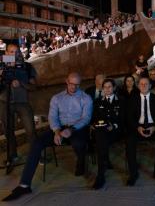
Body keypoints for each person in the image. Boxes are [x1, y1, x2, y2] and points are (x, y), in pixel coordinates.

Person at [3, 72, 93, 201]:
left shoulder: (86, 98)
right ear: (66, 81)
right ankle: (24, 185)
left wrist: (71, 130)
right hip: (59, 127)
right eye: (72, 84)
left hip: (77, 127)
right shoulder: (57, 98)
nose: (74, 87)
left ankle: (81, 161)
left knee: (79, 143)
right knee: (37, 143)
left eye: (77, 85)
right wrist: (56, 131)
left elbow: (86, 118)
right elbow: (52, 117)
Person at [125, 77, 155, 186]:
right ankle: (133, 174)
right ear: (138, 86)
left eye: (146, 84)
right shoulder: (132, 99)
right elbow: (129, 117)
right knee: (129, 141)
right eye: (141, 84)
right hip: (137, 127)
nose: (143, 86)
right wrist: (137, 127)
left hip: (153, 127)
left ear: (150, 86)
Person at [0, 43, 37, 166]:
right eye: (10, 52)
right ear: (6, 53)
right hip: (5, 102)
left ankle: (35, 156)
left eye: (16, 52)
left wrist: (21, 83)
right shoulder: (1, 66)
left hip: (23, 103)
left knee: (31, 130)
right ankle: (12, 156)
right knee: (8, 131)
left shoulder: (27, 66)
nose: (14, 55)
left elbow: (34, 87)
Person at [91, 79, 125, 189]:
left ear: (114, 88)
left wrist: (114, 126)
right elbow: (95, 118)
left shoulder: (121, 100)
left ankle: (103, 168)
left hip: (117, 131)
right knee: (101, 136)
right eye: (105, 87)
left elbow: (124, 119)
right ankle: (101, 175)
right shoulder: (98, 102)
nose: (107, 89)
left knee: (101, 141)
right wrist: (94, 125)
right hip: (102, 131)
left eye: (109, 86)